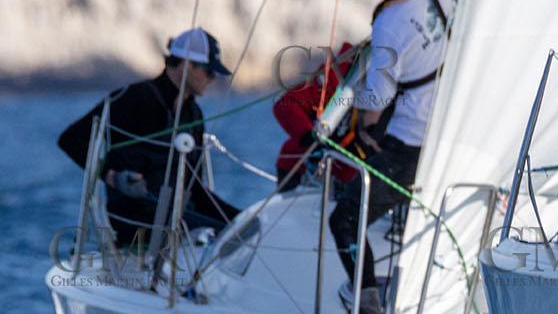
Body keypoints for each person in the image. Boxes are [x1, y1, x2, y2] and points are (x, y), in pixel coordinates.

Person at [324, 0, 452, 314]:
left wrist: (354, 123)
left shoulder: (389, 26)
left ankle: (369, 308)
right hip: (443, 127)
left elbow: (376, 104)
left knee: (344, 218)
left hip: (409, 145)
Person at [58, 28, 241, 248]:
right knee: (222, 233)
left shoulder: (193, 114)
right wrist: (110, 175)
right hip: (135, 223)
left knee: (244, 230)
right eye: (208, 71)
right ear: (185, 65)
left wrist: (240, 218)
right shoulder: (135, 98)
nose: (213, 78)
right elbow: (71, 139)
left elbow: (195, 189)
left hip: (181, 219)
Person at [272, 41, 359, 191]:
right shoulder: (338, 74)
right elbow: (284, 105)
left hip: (356, 178)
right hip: (305, 171)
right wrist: (310, 136)